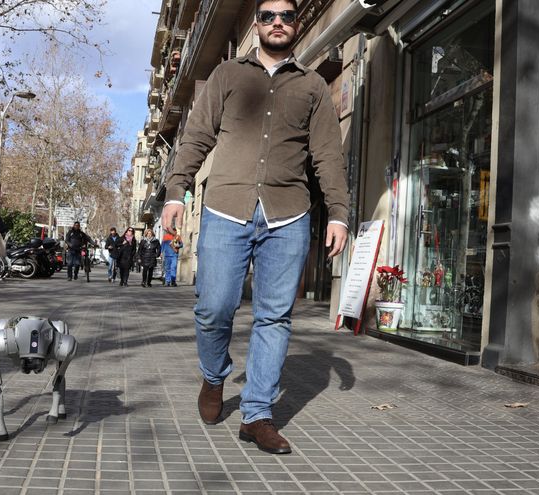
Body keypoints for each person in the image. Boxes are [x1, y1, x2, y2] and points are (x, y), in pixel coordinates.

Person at [160, 0, 349, 455]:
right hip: (226, 208)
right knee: (214, 307)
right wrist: (174, 192)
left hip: (289, 214)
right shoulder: (227, 75)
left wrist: (340, 212)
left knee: (275, 316)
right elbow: (197, 137)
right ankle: (213, 376)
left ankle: (257, 414)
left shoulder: (312, 86)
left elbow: (327, 154)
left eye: (285, 16)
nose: (277, 23)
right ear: (257, 24)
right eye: (268, 16)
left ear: (295, 23)